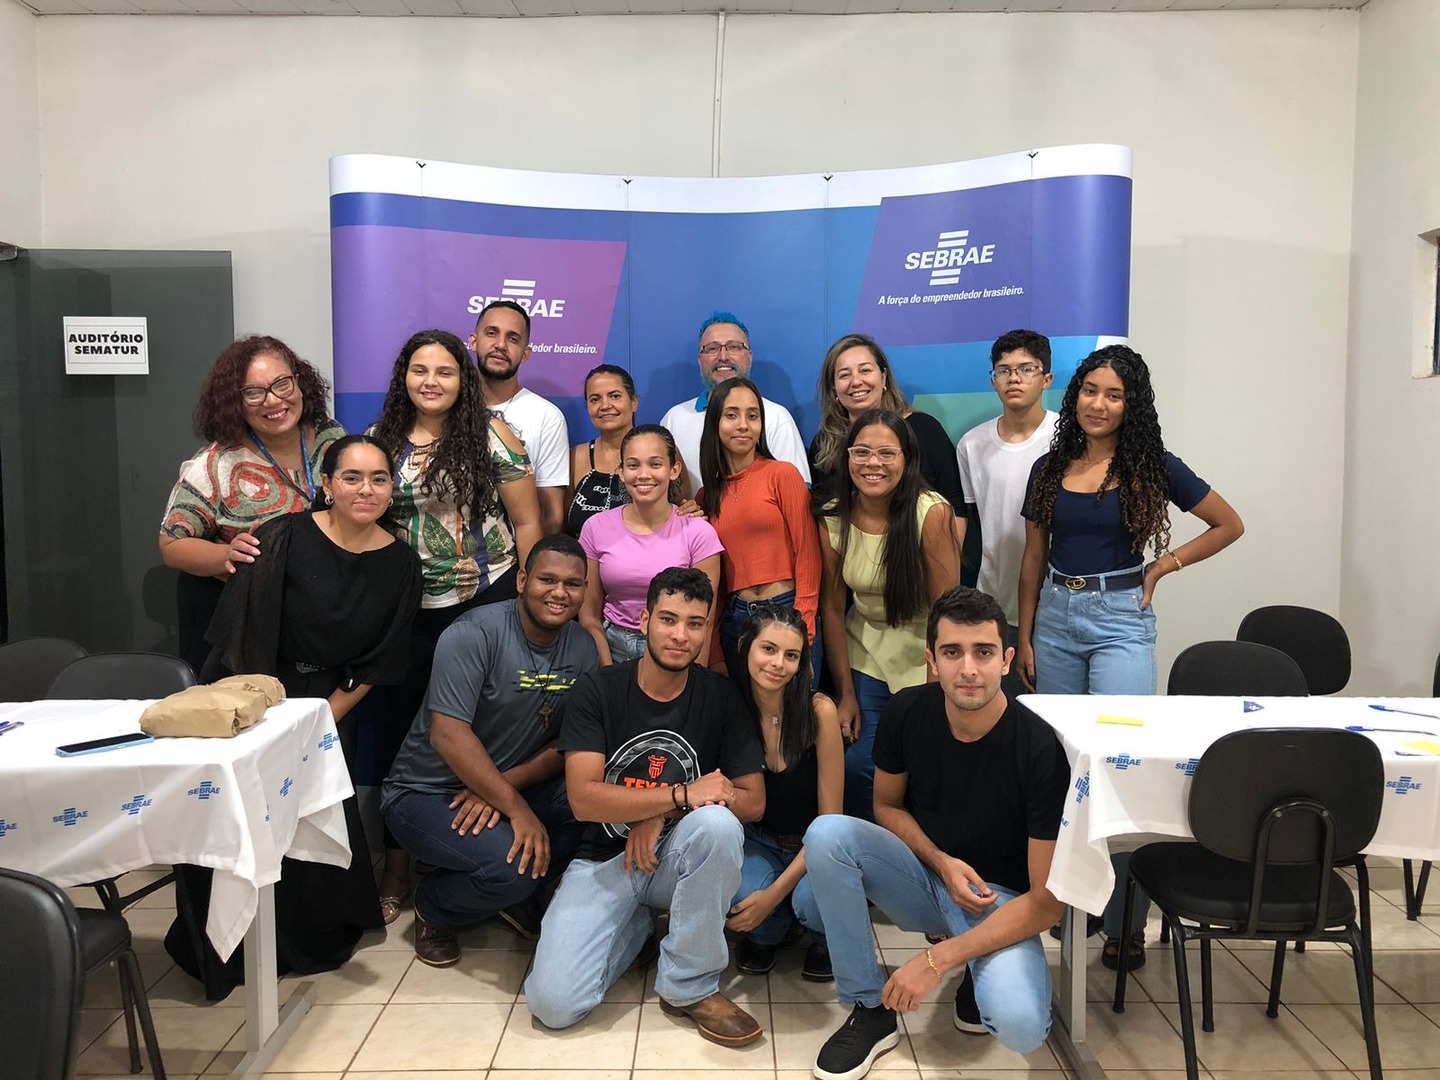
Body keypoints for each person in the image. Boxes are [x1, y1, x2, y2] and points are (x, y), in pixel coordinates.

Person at [169, 434, 422, 999]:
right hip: (253, 695)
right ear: (326, 485)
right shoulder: (282, 535)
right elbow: (241, 629)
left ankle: (306, 940)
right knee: (238, 819)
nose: (365, 489)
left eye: (379, 478)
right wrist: (269, 715)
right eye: (351, 477)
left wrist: (319, 720)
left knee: (311, 820)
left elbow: (380, 661)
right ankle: (221, 948)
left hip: (331, 705)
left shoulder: (402, 562)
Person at [1017, 343, 1244, 971]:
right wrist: (1028, 634)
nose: (1099, 403)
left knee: (1119, 766)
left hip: (1120, 620)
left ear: (1131, 404)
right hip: (1056, 620)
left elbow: (1229, 523)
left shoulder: (1151, 465)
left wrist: (1163, 567)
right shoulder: (1050, 466)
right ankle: (1065, 907)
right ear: (1075, 393)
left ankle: (1124, 923)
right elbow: (1032, 559)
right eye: (1090, 390)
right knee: (1062, 773)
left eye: (1114, 394)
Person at [795, 586, 1070, 1080]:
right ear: (932, 660)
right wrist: (941, 863)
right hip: (926, 877)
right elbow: (886, 806)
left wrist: (937, 959)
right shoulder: (906, 711)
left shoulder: (1039, 746)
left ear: (1006, 660)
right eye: (952, 652)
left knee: (1022, 1026)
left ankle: (975, 965)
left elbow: (1048, 904)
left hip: (1000, 899)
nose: (968, 668)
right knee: (826, 837)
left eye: (983, 652)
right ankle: (869, 1007)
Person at [525, 567, 767, 1047]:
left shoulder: (720, 696)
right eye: (669, 619)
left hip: (675, 858)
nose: (681, 635)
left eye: (695, 623)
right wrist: (676, 796)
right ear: (643, 619)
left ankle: (690, 986)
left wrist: (663, 815)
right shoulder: (600, 689)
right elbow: (585, 797)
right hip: (602, 859)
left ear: (706, 630)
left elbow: (753, 801)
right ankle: (634, 928)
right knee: (553, 1006)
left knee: (718, 825)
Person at [367, 328, 544, 920]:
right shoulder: (379, 442)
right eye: (420, 370)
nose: (431, 382)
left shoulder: (493, 434)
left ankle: (469, 852)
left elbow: (526, 523)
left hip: (484, 596)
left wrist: (525, 593)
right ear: (404, 378)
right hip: (404, 612)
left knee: (481, 728)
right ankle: (398, 860)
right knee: (403, 733)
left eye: (444, 371)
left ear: (461, 378)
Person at [381, 534, 599, 966]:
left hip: (503, 785)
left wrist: (502, 791)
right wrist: (515, 809)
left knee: (595, 808)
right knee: (512, 866)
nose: (559, 593)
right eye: (547, 580)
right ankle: (435, 905)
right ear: (521, 580)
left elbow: (571, 743)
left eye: (573, 584)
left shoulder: (583, 647)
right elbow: (449, 735)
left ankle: (514, 897)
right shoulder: (472, 633)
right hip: (427, 792)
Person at [159, 335, 344, 676]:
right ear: (236, 402)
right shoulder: (217, 463)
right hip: (248, 639)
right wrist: (225, 556)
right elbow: (171, 545)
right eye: (254, 393)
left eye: (282, 384)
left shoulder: (331, 438)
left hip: (320, 628)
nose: (273, 401)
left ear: (299, 382)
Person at [818, 409, 961, 821]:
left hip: (923, 657)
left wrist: (938, 694)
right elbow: (831, 606)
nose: (872, 464)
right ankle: (868, 857)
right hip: (864, 655)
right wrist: (845, 694)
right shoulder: (833, 514)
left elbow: (946, 615)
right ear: (847, 457)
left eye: (886, 453)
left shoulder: (930, 512)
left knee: (919, 763)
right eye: (861, 452)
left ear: (907, 458)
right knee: (860, 765)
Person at [724, 605, 842, 981]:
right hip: (759, 842)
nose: (778, 664)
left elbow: (830, 825)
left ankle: (822, 935)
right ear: (746, 647)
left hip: (816, 844)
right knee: (742, 898)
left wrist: (773, 895)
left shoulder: (819, 710)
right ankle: (776, 928)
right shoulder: (731, 707)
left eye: (791, 655)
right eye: (769, 649)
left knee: (814, 903)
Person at [955, 329, 1058, 700]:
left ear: (1046, 378)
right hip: (995, 601)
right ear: (993, 380)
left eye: (1026, 368)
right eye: (1003, 370)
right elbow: (972, 524)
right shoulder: (971, 444)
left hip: (1055, 607)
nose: (1014, 378)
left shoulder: (1067, 439)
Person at [696, 376, 821, 680]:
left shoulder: (782, 475)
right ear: (715, 423)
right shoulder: (706, 496)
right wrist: (713, 649)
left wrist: (803, 623)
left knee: (795, 717)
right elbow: (716, 580)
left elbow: (808, 552)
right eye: (731, 415)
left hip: (785, 610)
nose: (743, 425)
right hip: (736, 619)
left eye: (753, 416)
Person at [578, 424, 724, 666]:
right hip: (612, 647)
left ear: (674, 469)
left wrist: (696, 680)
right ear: (621, 471)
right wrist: (605, 668)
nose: (644, 475)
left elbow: (703, 621)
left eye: (655, 464)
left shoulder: (699, 534)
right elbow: (589, 613)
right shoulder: (595, 528)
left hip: (676, 649)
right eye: (633, 465)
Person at [808, 333, 964, 515]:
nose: (856, 381)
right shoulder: (824, 444)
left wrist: (945, 545)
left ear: (883, 378)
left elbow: (956, 507)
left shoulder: (924, 429)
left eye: (865, 370)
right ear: (833, 387)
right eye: (844, 375)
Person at [660, 312, 811, 499]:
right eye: (712, 348)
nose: (723, 356)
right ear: (700, 360)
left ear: (749, 356)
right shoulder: (675, 419)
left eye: (734, 347)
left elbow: (797, 496)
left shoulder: (776, 417)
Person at [470, 300, 570, 536]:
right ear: (473, 341)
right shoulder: (445, 407)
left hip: (511, 561)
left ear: (525, 354)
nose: (501, 345)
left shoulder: (546, 416)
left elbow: (552, 516)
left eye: (513, 338)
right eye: (492, 333)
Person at [567, 363, 638, 535]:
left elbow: (682, 508)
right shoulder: (576, 457)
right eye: (595, 399)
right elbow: (560, 523)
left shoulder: (662, 451)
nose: (605, 405)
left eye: (614, 396)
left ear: (633, 402)